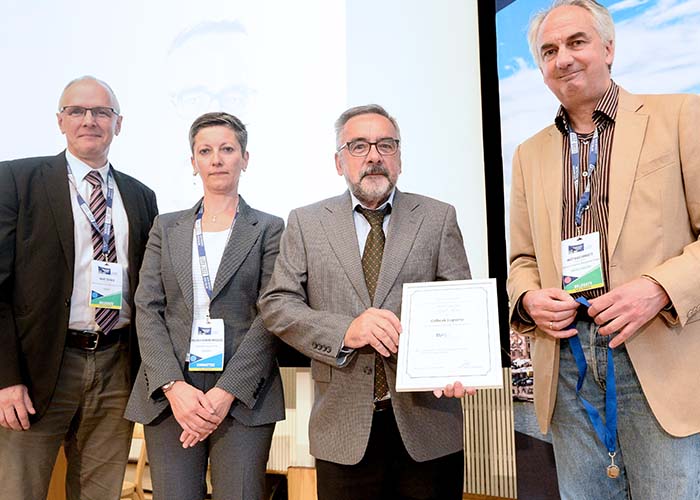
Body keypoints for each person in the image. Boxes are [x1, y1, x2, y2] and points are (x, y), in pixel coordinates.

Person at [507, 1, 700, 498]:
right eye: (549, 51)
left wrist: (657, 289)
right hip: (568, 361)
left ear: (609, 48)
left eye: (576, 42)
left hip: (655, 352)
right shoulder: (529, 154)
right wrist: (528, 299)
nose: (563, 58)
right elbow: (522, 261)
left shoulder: (679, 116)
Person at [259, 104, 474, 500]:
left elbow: (458, 303)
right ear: (338, 162)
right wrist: (346, 330)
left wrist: (458, 362)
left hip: (428, 424)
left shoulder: (438, 217)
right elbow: (277, 303)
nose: (374, 156)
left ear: (399, 158)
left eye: (385, 145)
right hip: (342, 428)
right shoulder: (307, 223)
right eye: (358, 146)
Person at [0, 76, 158, 500]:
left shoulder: (141, 197)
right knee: (19, 491)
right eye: (77, 111)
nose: (89, 120)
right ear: (60, 120)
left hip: (116, 365)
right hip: (37, 372)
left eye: (101, 112)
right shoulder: (16, 180)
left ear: (118, 124)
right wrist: (6, 378)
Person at [124, 112, 285, 500]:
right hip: (171, 394)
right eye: (205, 150)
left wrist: (224, 393)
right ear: (193, 161)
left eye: (227, 149)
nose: (217, 159)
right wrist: (174, 387)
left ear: (245, 158)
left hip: (244, 394)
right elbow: (147, 307)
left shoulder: (269, 228)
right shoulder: (167, 227)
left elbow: (273, 313)